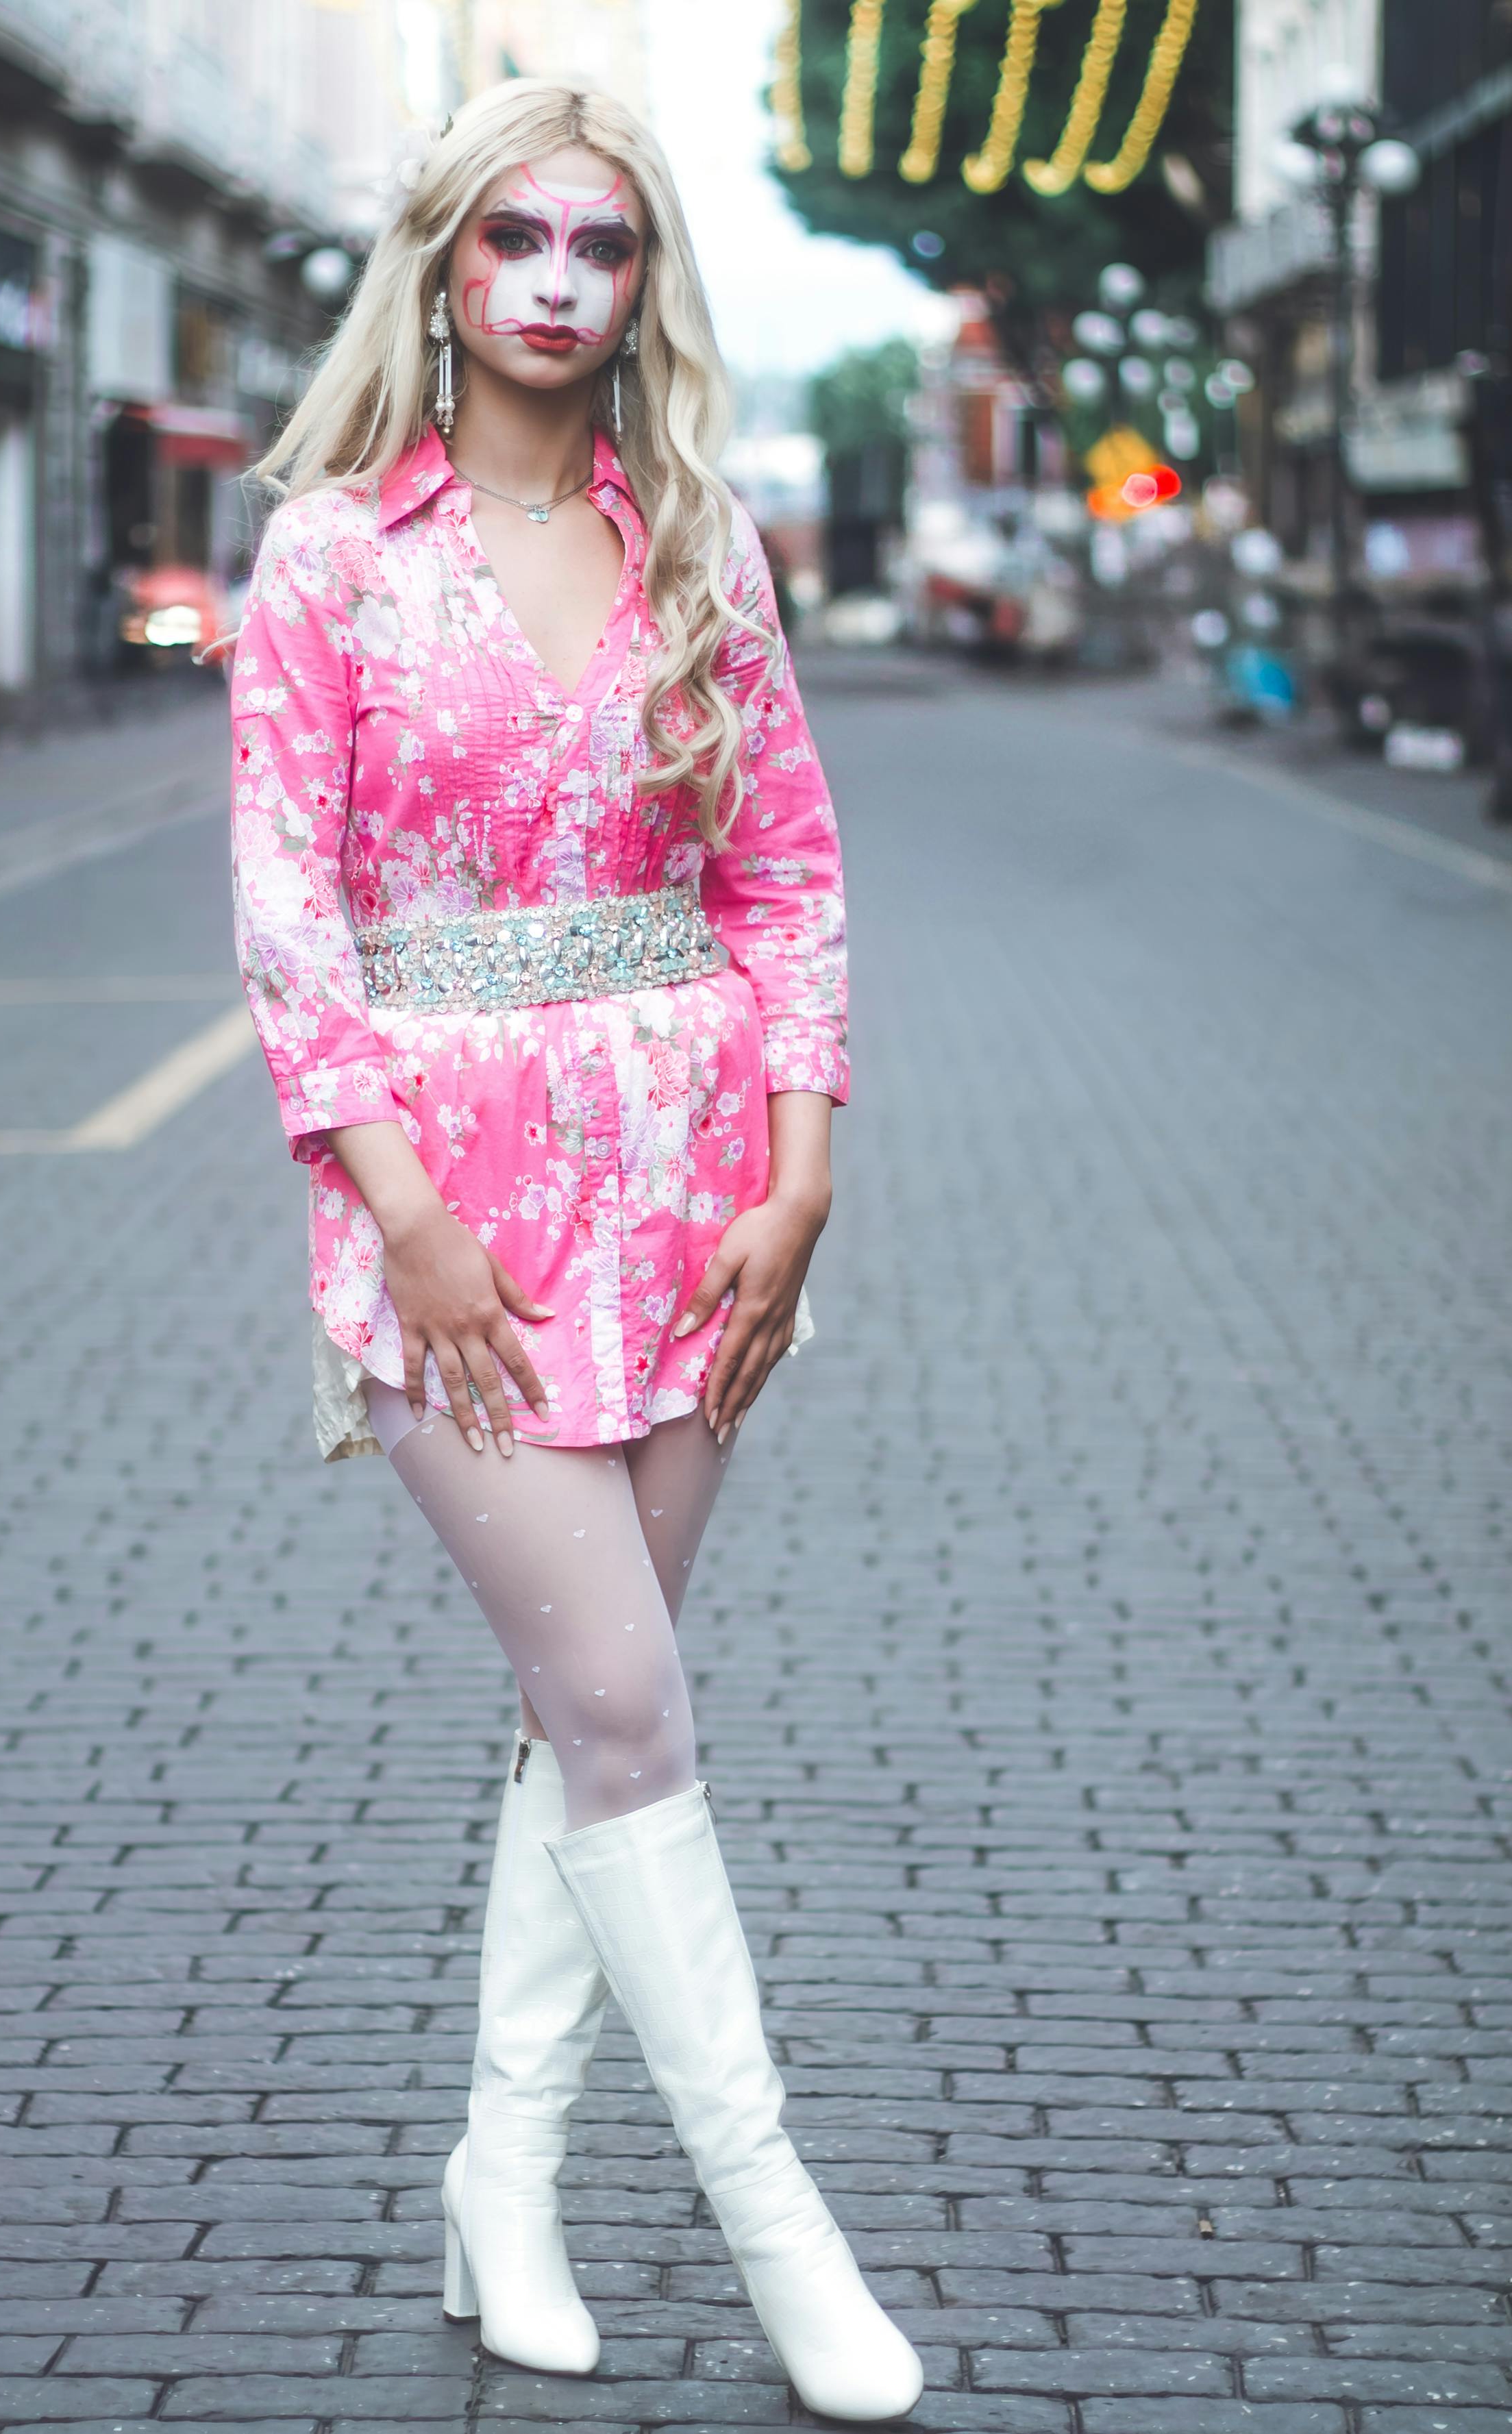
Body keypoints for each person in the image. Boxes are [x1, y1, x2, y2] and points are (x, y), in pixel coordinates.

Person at [230, 79, 922, 2424]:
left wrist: (799, 1168)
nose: (551, 277)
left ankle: (498, 2182)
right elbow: (287, 922)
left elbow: (790, 879)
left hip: (697, 1199)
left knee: (583, 1703)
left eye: (597, 245)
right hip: (453, 1222)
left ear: (639, 286)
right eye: (508, 235)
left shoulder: (700, 545)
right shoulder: (328, 555)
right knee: (629, 1702)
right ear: (441, 268)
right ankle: (774, 2216)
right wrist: (401, 1212)